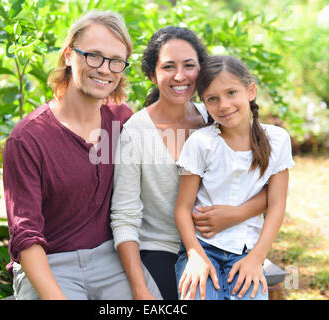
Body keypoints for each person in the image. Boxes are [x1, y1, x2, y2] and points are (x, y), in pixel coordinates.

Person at [2, 10, 160, 300]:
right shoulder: (27, 139)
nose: (104, 69)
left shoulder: (122, 120)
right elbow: (25, 238)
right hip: (49, 265)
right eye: (93, 55)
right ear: (68, 55)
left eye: (116, 61)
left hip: (111, 260)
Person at [110, 27, 269, 300]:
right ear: (152, 74)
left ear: (202, 71)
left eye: (189, 65)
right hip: (161, 247)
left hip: (221, 243)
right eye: (168, 66)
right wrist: (139, 288)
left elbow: (270, 187)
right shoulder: (135, 132)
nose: (180, 75)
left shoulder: (219, 113)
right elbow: (124, 218)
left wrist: (237, 214)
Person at [174, 55, 295, 300]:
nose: (224, 105)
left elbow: (277, 203)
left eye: (231, 93)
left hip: (248, 251)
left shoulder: (277, 140)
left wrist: (257, 258)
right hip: (203, 248)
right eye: (212, 99)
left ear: (250, 91)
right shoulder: (201, 143)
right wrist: (195, 255)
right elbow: (182, 209)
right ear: (204, 104)